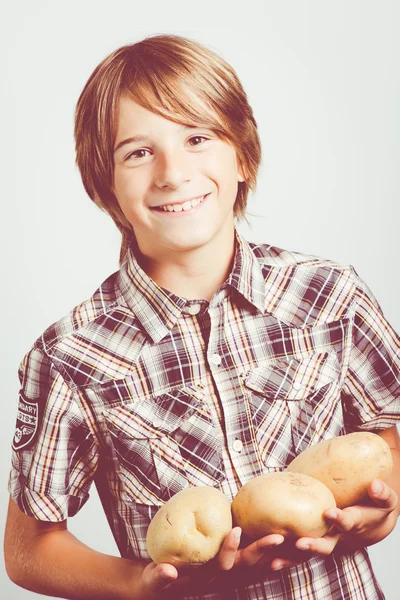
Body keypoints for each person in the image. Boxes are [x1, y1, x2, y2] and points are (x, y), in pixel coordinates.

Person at [4, 34, 400, 600]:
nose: (172, 172)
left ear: (241, 156)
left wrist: (382, 514)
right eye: (137, 151)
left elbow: (387, 439)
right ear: (105, 184)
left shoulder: (329, 295)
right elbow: (27, 551)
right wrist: (143, 584)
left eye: (197, 138)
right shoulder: (71, 356)